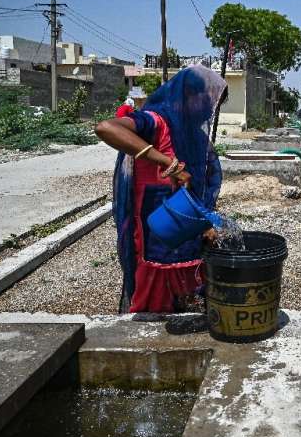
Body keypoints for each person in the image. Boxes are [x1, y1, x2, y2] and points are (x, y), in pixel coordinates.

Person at [95, 66, 227, 313]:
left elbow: (206, 181)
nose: (209, 110)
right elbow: (106, 128)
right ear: (186, 96)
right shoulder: (155, 121)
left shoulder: (196, 137)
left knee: (191, 281)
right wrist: (168, 163)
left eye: (213, 106)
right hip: (156, 222)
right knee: (158, 291)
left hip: (186, 219)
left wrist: (208, 220)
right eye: (206, 102)